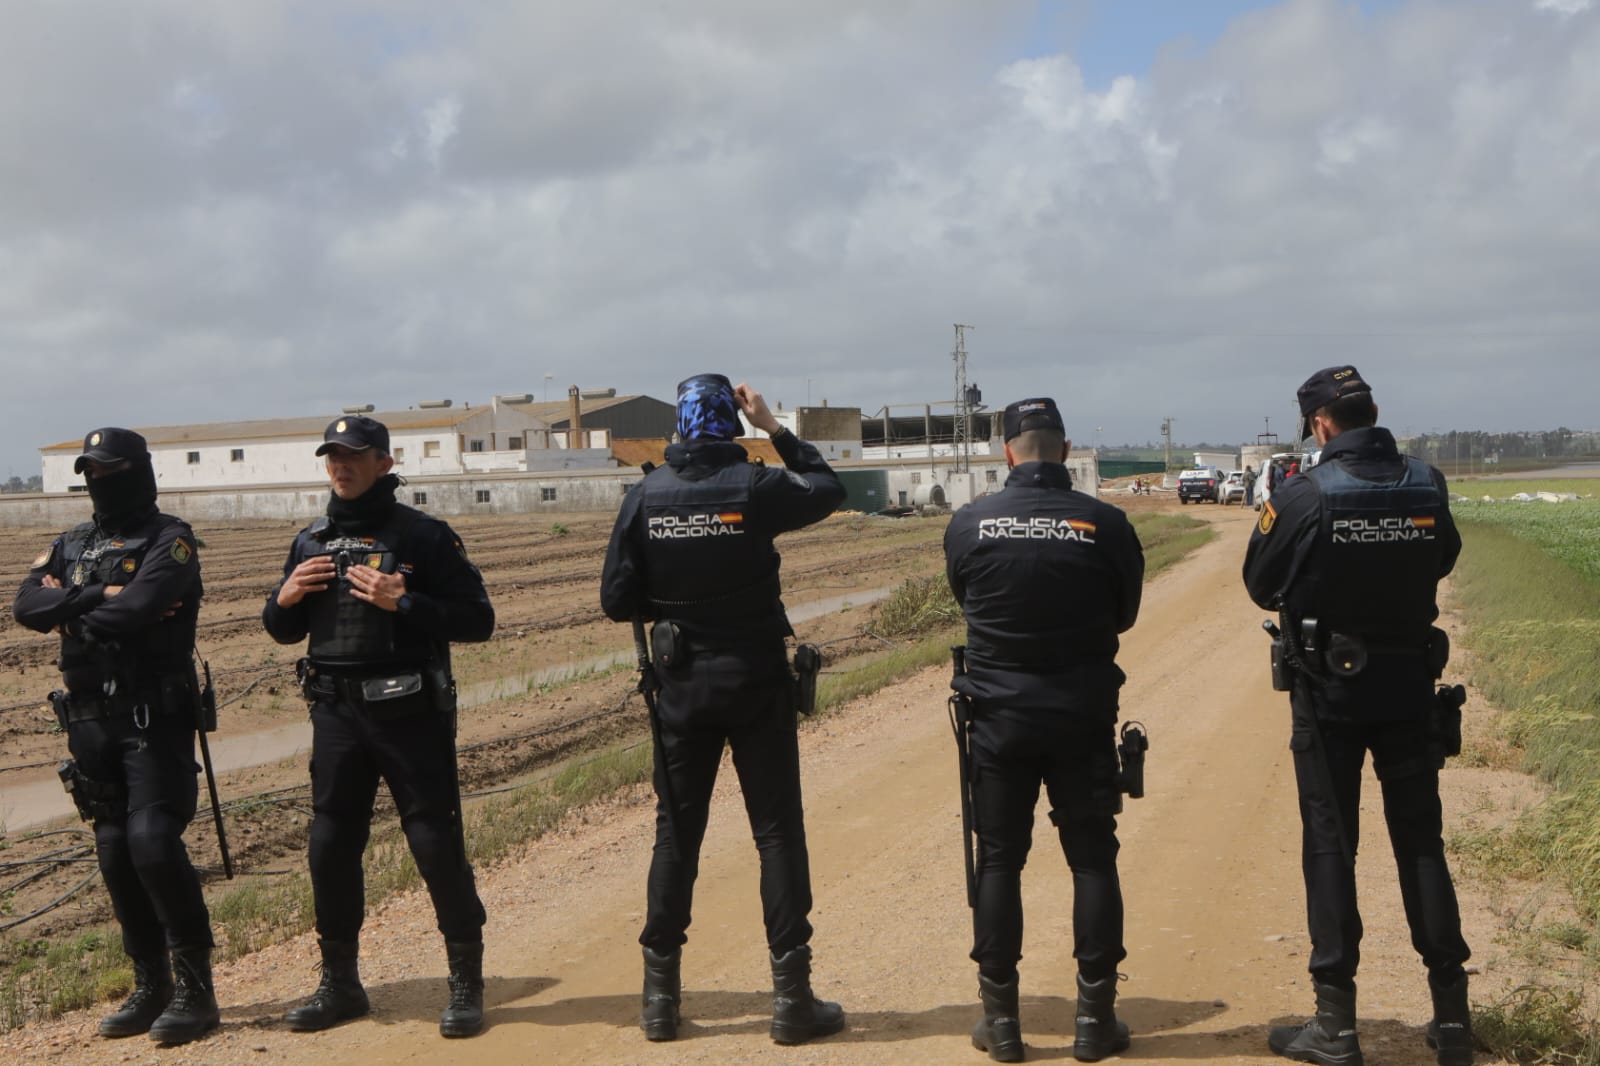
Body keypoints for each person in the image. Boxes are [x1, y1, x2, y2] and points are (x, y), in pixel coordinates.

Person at [600, 374, 847, 1046]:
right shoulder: (755, 488)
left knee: (676, 834)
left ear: (678, 428)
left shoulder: (646, 495)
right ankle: (792, 1002)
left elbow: (617, 600)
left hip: (681, 688)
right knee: (775, 832)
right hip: (755, 681)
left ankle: (659, 1002)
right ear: (731, 425)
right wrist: (775, 427)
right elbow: (829, 490)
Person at [1243, 366, 1473, 1066]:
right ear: (1373, 413)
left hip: (1330, 693)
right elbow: (1446, 556)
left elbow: (1260, 583)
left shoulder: (1304, 493)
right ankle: (1453, 1021)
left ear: (1320, 425)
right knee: (1421, 844)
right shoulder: (1426, 484)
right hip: (1408, 685)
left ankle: (1336, 1026)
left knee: (1330, 846)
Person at [262, 415, 495, 1038]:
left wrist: (404, 601)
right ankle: (340, 984)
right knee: (330, 847)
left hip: (408, 713)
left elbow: (478, 620)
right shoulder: (309, 541)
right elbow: (282, 630)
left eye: (355, 456)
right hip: (335, 716)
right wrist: (283, 599)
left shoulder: (423, 537)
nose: (342, 466)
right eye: (333, 457)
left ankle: (466, 984)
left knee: (434, 844)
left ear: (384, 464)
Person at [943, 398, 1145, 1063]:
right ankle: (1094, 1021)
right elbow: (1124, 615)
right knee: (1091, 858)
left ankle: (1001, 1024)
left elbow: (966, 600)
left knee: (999, 858)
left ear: (1009, 451)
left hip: (998, 720)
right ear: (1063, 449)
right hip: (1081, 715)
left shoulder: (969, 524)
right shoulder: (1105, 523)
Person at [13, 428, 220, 1045]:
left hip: (153, 716)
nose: (100, 483)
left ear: (140, 472)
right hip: (88, 722)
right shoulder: (72, 543)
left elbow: (141, 608)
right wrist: (101, 593)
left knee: (153, 841)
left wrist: (70, 612)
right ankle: (150, 984)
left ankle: (196, 990)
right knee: (113, 852)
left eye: (112, 471)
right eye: (91, 473)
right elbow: (25, 605)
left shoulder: (171, 540)